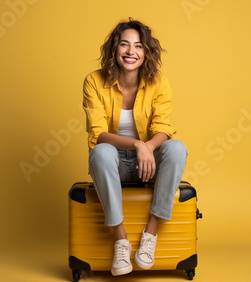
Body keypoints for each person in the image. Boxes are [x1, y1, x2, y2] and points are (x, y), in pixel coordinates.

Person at [82, 18, 187, 276]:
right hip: (113, 165)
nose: (131, 52)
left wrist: (147, 148)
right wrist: (138, 144)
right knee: (101, 151)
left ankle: (150, 233)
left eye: (138, 46)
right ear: (114, 49)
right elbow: (98, 134)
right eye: (124, 45)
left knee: (176, 148)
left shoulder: (158, 81)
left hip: (147, 165)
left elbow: (163, 126)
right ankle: (120, 239)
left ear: (146, 52)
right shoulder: (93, 82)